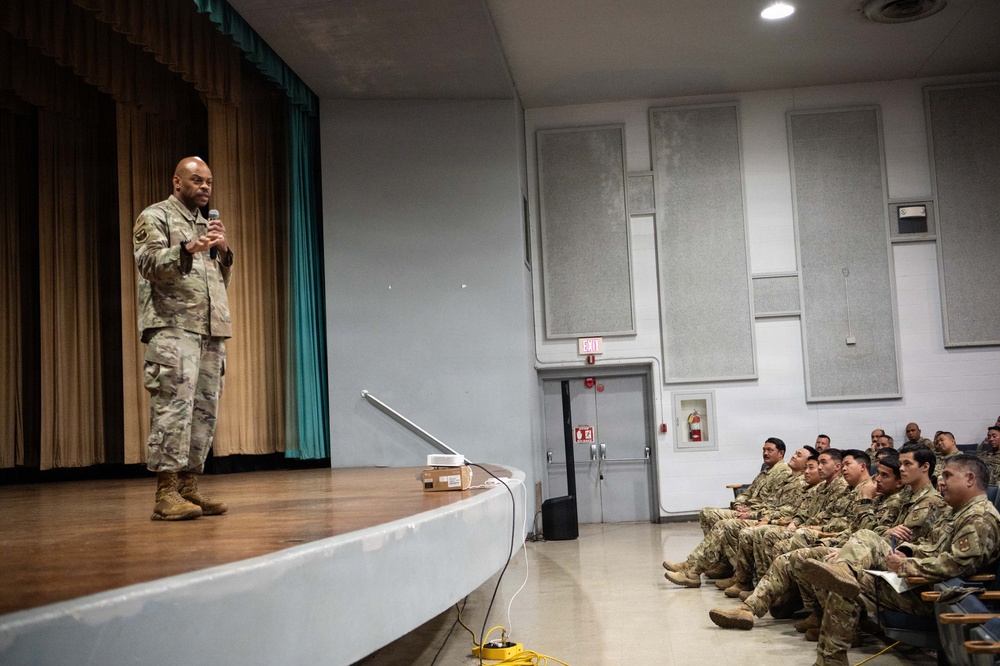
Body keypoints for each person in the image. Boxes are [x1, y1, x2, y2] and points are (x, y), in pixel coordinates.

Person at [804, 455, 998, 666]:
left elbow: (959, 565)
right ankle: (831, 658)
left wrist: (906, 565)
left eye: (948, 476)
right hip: (920, 583)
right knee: (849, 572)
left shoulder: (979, 517)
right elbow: (928, 544)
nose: (942, 482)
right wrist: (906, 551)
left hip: (935, 595)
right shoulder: (956, 512)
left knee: (849, 578)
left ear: (970, 479)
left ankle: (831, 657)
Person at [133, 156, 234, 521]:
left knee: (203, 413)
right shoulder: (155, 216)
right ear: (177, 183)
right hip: (173, 328)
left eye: (208, 181)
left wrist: (222, 254)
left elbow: (216, 284)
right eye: (196, 180)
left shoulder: (206, 225)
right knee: (173, 409)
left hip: (210, 330)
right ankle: (166, 492)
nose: (205, 186)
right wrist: (188, 248)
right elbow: (148, 264)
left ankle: (189, 488)